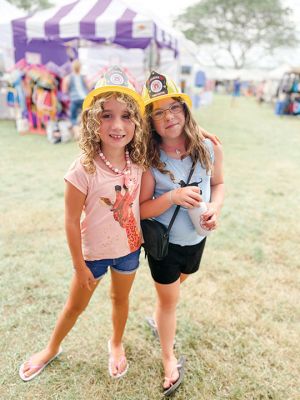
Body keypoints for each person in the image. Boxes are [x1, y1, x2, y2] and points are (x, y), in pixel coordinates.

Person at [19, 66, 147, 381]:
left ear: (136, 123)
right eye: (107, 115)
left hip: (130, 249)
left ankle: (116, 343)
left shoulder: (140, 160)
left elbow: (175, 133)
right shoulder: (83, 169)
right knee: (74, 306)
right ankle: (51, 347)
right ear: (92, 120)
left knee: (121, 299)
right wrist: (79, 265)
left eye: (126, 116)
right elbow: (70, 220)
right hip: (92, 256)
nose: (117, 125)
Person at [139, 71, 224, 396]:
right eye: (158, 112)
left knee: (178, 285)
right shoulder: (149, 159)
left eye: (174, 107)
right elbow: (142, 209)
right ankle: (169, 359)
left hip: (196, 240)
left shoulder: (208, 147)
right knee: (169, 301)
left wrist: (216, 207)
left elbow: (218, 184)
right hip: (164, 245)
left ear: (186, 111)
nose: (168, 116)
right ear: (150, 122)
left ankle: (160, 315)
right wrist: (172, 197)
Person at [63, 60, 89, 139]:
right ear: (80, 67)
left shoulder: (68, 78)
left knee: (73, 118)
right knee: (85, 116)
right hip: (84, 98)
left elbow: (65, 90)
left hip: (74, 99)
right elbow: (87, 88)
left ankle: (77, 133)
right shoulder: (83, 77)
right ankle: (85, 134)